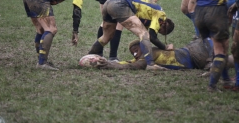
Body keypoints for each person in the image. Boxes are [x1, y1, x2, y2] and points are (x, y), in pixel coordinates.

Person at [183, 0, 231, 92]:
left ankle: (226, 79)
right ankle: (212, 85)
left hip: (199, 13)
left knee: (219, 48)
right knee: (221, 49)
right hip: (216, 11)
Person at [23, 0, 95, 70]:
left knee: (41, 29)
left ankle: (41, 61)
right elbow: (77, 10)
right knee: (51, 29)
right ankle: (42, 63)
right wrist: (75, 32)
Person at [88, 0, 175, 70]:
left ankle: (88, 57)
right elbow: (151, 36)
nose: (157, 30)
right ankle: (151, 64)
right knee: (143, 34)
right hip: (120, 4)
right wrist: (165, 47)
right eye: (160, 30)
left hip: (109, 2)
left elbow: (149, 37)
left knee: (106, 37)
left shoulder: (149, 15)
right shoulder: (161, 15)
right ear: (164, 24)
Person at [91, 38, 234, 72]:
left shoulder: (149, 54)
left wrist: (108, 65)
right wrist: (109, 62)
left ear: (144, 47)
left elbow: (134, 66)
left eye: (136, 49)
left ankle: (212, 60)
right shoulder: (144, 57)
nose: (134, 54)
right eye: (132, 52)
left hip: (193, 53)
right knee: (227, 59)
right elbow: (126, 63)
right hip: (193, 56)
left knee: (212, 45)